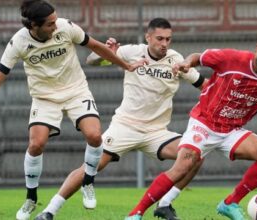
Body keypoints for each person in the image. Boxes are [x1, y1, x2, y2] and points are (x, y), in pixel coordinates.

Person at [124, 31, 257, 220]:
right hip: (204, 122)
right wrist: (187, 63)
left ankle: (230, 203)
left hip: (231, 131)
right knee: (182, 167)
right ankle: (136, 213)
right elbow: (198, 57)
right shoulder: (232, 59)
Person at [0, 1, 146, 220]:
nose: (55, 26)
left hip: (76, 91)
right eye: (50, 24)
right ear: (34, 25)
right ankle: (31, 198)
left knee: (95, 136)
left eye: (55, 20)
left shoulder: (66, 27)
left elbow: (96, 46)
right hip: (44, 98)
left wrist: (125, 65)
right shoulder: (18, 43)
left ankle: (88, 182)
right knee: (36, 144)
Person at [34, 18, 206, 220]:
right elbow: (92, 60)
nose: (164, 44)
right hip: (125, 126)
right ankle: (49, 211)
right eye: (159, 39)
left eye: (168, 39)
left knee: (195, 155)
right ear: (148, 37)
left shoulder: (176, 60)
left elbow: (204, 85)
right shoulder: (131, 51)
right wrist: (110, 52)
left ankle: (165, 204)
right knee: (91, 167)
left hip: (157, 132)